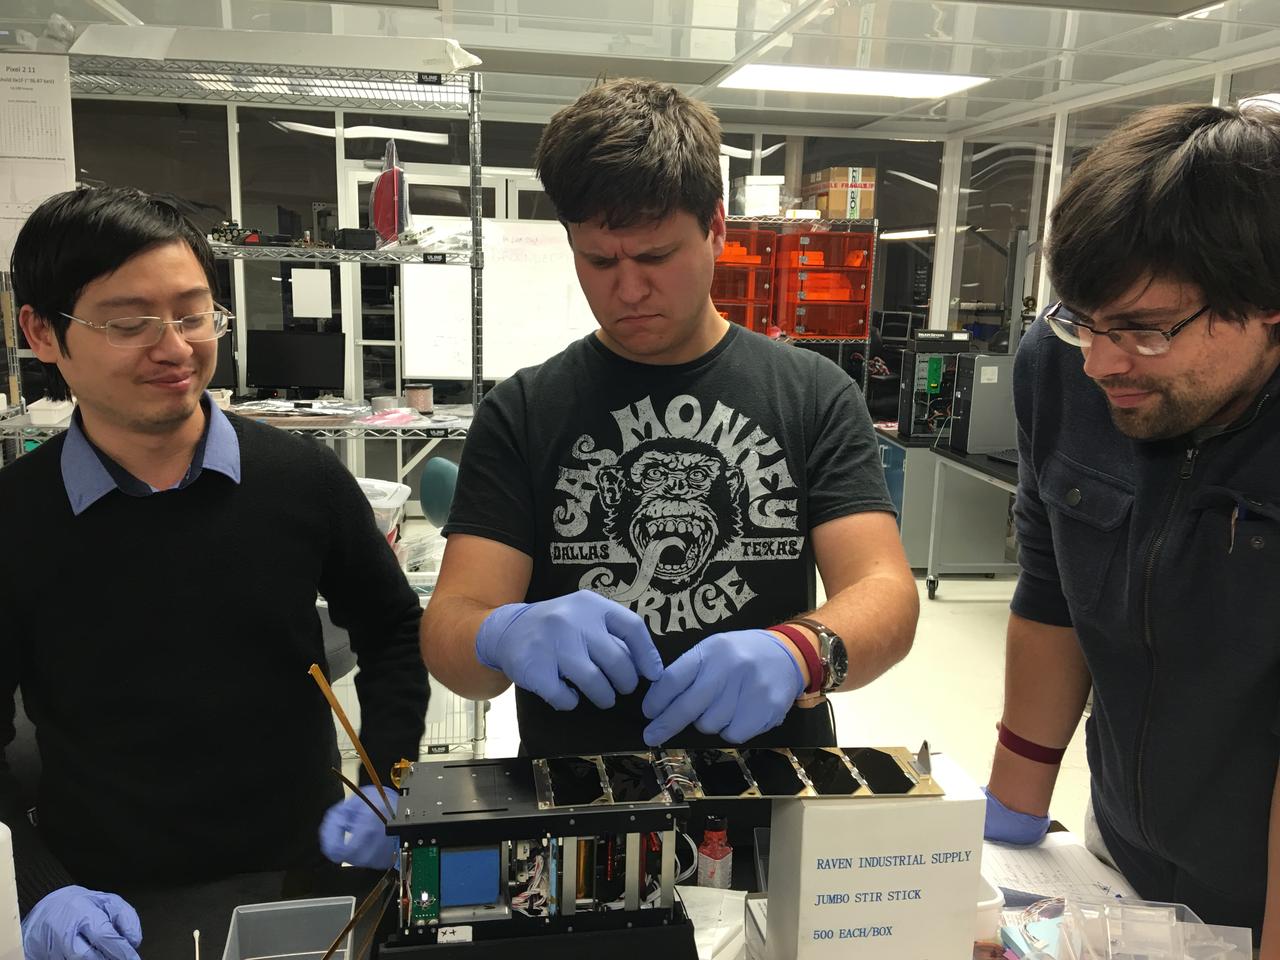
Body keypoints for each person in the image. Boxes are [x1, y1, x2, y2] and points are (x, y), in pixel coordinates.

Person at [420, 78, 918, 757]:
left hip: (772, 801)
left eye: (655, 255)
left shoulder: (813, 395)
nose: (627, 289)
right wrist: (499, 634)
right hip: (583, 812)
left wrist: (802, 649)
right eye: (598, 260)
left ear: (716, 228)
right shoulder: (525, 411)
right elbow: (450, 628)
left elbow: (886, 593)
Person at [0, 186, 429, 960]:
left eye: (194, 315)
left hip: (306, 872)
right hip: (107, 903)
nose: (173, 347)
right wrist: (39, 885)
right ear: (43, 333)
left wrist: (388, 775)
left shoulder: (301, 481)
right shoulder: (14, 519)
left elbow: (395, 627)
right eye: (129, 323)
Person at [982, 103, 1280, 951]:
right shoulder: (1066, 367)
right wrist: (1013, 818)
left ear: (1267, 305)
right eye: (1085, 317)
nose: (1102, 362)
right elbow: (1052, 587)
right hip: (1125, 852)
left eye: (1145, 331)